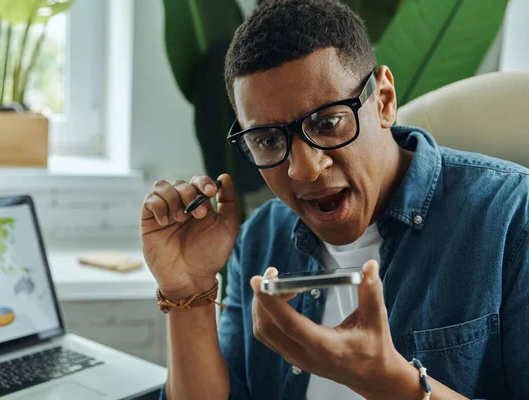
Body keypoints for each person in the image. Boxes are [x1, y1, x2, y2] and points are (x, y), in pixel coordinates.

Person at [140, 0, 529, 398]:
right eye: (269, 140)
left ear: (384, 100)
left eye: (327, 123)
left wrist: (389, 381)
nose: (303, 170)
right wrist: (186, 289)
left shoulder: (514, 217)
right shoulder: (263, 235)